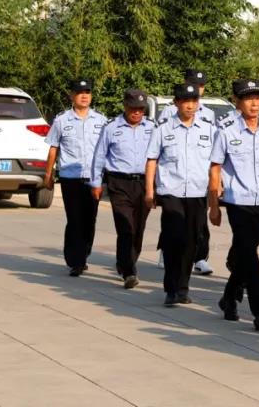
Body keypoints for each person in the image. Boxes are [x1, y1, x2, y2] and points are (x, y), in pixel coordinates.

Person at [209, 79, 259, 331]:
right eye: (248, 98)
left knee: (246, 252)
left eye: (258, 98)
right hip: (238, 203)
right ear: (237, 101)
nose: (254, 103)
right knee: (250, 256)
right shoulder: (226, 131)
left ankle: (228, 297)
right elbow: (215, 168)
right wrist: (214, 205)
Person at [145, 83, 213, 307]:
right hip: (171, 192)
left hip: (197, 192)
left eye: (194, 101)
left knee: (192, 242)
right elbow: (152, 160)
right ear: (176, 103)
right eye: (185, 101)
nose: (190, 106)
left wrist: (216, 189)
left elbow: (216, 163)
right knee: (173, 238)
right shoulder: (163, 129)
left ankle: (183, 287)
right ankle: (171, 288)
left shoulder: (208, 129)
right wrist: (149, 191)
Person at [90, 89, 155, 289]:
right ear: (125, 106)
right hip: (119, 183)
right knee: (125, 226)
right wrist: (96, 182)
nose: (137, 112)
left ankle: (126, 261)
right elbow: (99, 156)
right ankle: (129, 271)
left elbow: (159, 157)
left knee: (138, 228)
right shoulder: (111, 127)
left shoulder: (152, 127)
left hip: (144, 183)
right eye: (133, 108)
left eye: (140, 109)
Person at [44, 78, 107, 276]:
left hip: (93, 178)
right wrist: (48, 174)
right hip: (70, 178)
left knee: (90, 220)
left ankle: (83, 254)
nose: (84, 96)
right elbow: (53, 148)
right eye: (80, 92)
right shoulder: (62, 120)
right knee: (74, 219)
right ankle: (75, 261)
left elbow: (107, 149)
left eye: (87, 92)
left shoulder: (101, 120)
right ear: (72, 95)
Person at [158, 68, 215, 276]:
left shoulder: (208, 114)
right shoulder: (168, 113)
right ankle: (167, 252)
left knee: (199, 224)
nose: (198, 89)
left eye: (201, 85)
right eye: (193, 84)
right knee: (173, 223)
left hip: (198, 181)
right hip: (173, 180)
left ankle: (199, 257)